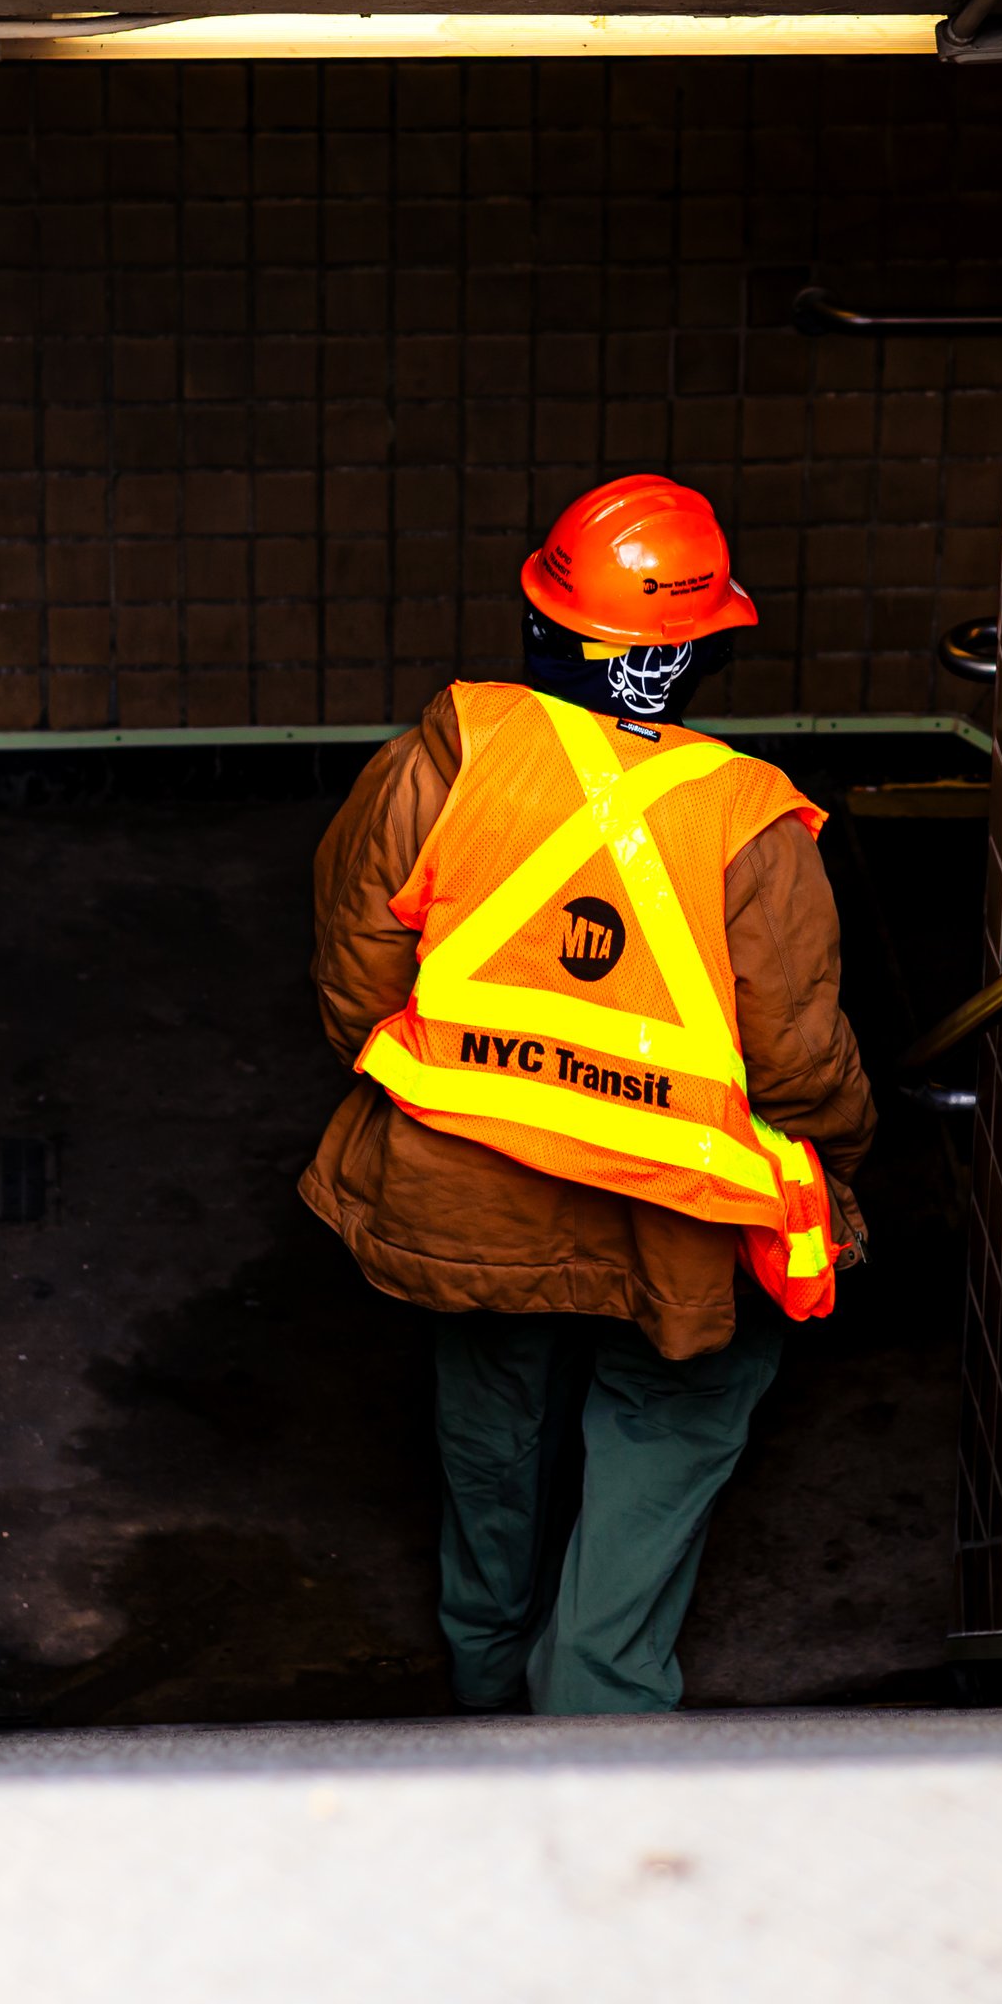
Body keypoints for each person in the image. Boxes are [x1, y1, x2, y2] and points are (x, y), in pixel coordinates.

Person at [299, 473, 877, 1715]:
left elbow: (356, 979)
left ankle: (481, 1663)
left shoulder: (440, 760)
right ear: (697, 648)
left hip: (468, 1183)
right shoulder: (748, 822)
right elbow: (793, 1060)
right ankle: (597, 1708)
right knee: (669, 1424)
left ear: (543, 619)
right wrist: (846, 1152)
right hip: (676, 1213)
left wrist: (471, 1090)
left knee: (490, 1411)